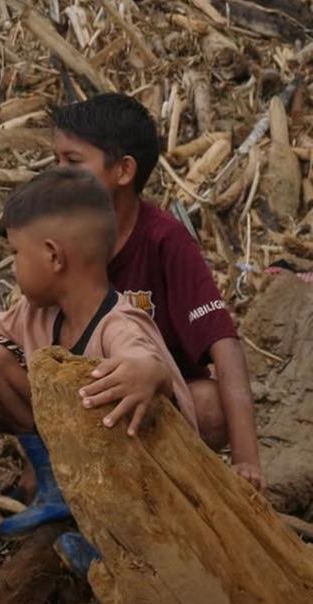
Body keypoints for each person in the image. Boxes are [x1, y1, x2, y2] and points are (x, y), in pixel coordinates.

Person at [0, 168, 196, 553]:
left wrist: (149, 372)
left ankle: (115, 540)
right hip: (87, 463)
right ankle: (56, 486)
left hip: (155, 487)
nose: (13, 267)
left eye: (16, 255)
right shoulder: (38, 312)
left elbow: (144, 362)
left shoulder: (118, 324)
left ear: (54, 256)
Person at [52, 93, 264, 492]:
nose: (59, 173)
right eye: (56, 161)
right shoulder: (58, 235)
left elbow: (223, 343)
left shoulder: (165, 239)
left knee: (211, 405)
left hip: (157, 397)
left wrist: (246, 460)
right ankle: (54, 474)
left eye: (74, 162)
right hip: (84, 390)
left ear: (124, 170)